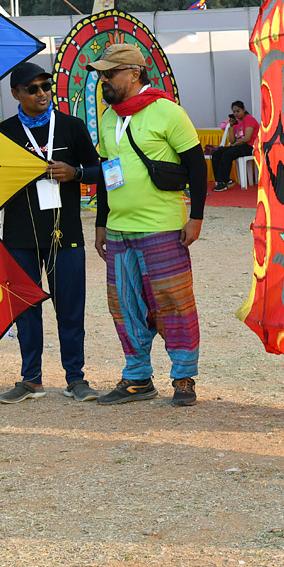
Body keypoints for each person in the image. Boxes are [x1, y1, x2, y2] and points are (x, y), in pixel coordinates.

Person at [90, 43, 209, 406]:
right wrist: (100, 224)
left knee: (174, 302)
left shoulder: (168, 113)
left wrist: (197, 217)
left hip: (162, 227)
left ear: (134, 73)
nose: (103, 80)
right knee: (123, 306)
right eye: (100, 75)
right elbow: (107, 173)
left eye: (110, 73)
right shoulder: (109, 117)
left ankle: (184, 377)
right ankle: (138, 377)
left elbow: (196, 166)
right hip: (118, 229)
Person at [0, 61, 103, 404]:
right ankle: (31, 379)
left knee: (70, 308)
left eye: (46, 87)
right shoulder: (5, 133)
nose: (42, 94)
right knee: (26, 308)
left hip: (65, 233)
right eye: (33, 88)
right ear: (16, 93)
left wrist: (77, 173)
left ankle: (76, 379)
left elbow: (100, 171)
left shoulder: (71, 127)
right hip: (19, 236)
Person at [211, 101, 258, 192]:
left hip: (250, 146)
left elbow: (247, 138)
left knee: (228, 154)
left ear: (244, 110)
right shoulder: (235, 122)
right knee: (217, 154)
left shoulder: (249, 119)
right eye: (234, 112)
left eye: (238, 111)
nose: (236, 114)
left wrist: (234, 145)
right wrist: (231, 127)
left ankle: (226, 181)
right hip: (239, 146)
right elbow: (231, 140)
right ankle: (219, 181)